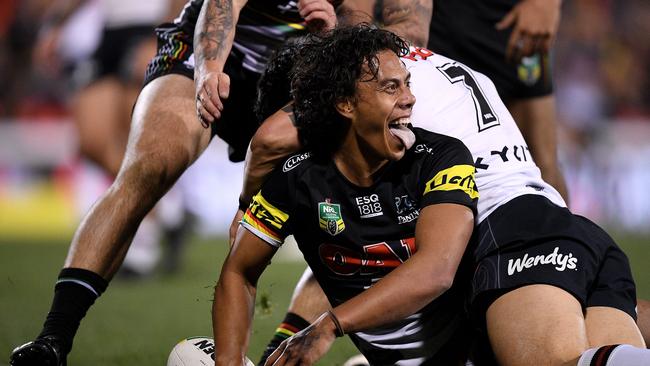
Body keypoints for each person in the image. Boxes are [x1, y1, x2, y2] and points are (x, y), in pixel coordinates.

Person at [236, 26, 650, 365]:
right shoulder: (410, 62)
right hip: (562, 224)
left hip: (503, 234)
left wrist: (247, 207)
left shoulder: (361, 85)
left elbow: (271, 138)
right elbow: (346, 263)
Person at [9, 0, 339, 365]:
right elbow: (223, 5)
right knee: (150, 164)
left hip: (302, 66)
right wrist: (210, 69)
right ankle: (52, 340)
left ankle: (274, 361)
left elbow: (367, 21)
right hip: (210, 54)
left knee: (338, 206)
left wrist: (331, 34)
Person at [213, 26, 479, 365]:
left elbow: (437, 271)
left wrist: (328, 325)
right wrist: (228, 360)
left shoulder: (440, 156)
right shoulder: (299, 178)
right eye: (390, 86)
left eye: (407, 83)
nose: (410, 98)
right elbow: (238, 272)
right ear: (344, 103)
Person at [427, 0, 569, 202]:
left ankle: (561, 232)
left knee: (540, 164)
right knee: (433, 154)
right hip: (433, 22)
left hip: (507, 22)